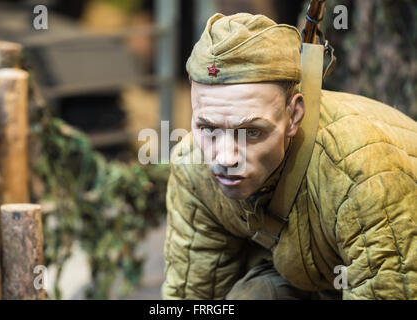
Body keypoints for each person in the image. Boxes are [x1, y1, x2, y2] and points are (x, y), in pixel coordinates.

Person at [161, 13, 417, 300]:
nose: (225, 157)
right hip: (316, 273)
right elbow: (194, 292)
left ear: (293, 115)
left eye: (252, 132)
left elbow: (390, 286)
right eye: (208, 128)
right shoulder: (193, 166)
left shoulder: (361, 171)